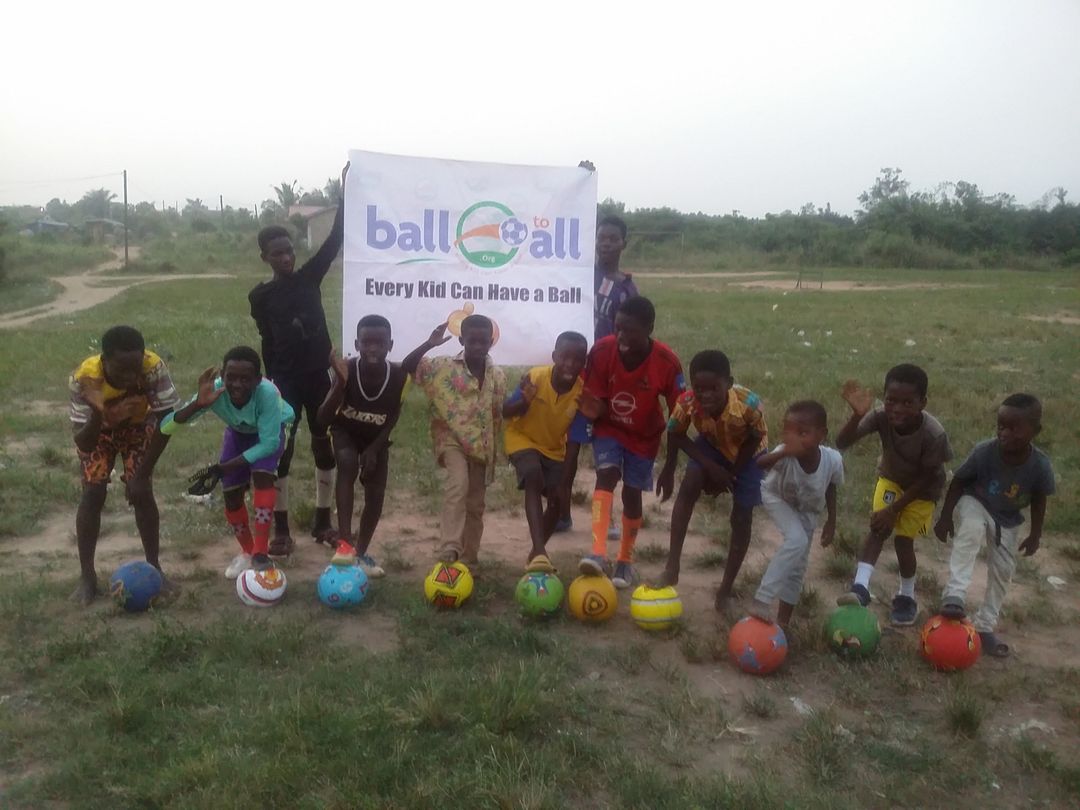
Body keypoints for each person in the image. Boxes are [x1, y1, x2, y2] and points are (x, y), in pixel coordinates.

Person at [248, 162, 348, 555]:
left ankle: (323, 520)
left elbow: (336, 240)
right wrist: (269, 383)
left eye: (289, 251)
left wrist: (344, 195)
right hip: (284, 381)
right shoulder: (261, 297)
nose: (286, 258)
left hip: (319, 376)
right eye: (278, 253)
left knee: (323, 441)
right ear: (265, 257)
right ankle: (282, 528)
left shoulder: (310, 278)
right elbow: (267, 340)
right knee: (282, 450)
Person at [316, 316, 448, 574]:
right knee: (347, 463)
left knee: (376, 494)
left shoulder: (398, 376)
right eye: (366, 342)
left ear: (390, 345)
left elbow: (393, 413)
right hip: (345, 432)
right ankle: (345, 544)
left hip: (376, 439)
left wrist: (375, 449)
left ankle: (360, 553)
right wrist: (340, 384)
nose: (373, 348)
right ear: (357, 344)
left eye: (380, 343)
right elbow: (322, 419)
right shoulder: (346, 369)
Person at [570, 296, 684, 588]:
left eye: (629, 330)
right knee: (606, 475)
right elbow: (593, 398)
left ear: (649, 329)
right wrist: (592, 412)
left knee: (632, 495)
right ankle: (598, 553)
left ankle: (625, 560)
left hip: (644, 436)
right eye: (617, 327)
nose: (620, 335)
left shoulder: (666, 362)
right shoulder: (602, 350)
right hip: (610, 426)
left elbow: (679, 416)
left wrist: (670, 466)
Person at [934, 394, 1054, 657]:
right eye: (1001, 425)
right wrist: (945, 517)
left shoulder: (1040, 465)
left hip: (1007, 518)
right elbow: (958, 481)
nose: (1004, 433)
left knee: (1003, 570)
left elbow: (1039, 499)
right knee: (971, 530)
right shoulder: (984, 451)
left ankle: (985, 625)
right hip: (976, 501)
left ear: (1035, 431)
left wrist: (1035, 533)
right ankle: (954, 595)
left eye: (1014, 428)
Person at [69, 325, 180, 605]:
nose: (131, 377)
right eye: (121, 371)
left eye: (135, 369)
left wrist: (141, 475)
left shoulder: (153, 368)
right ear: (104, 361)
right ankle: (87, 576)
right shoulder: (85, 379)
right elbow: (84, 443)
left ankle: (154, 568)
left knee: (142, 492)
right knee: (93, 493)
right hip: (98, 433)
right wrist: (98, 413)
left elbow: (167, 421)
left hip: (138, 428)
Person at [160, 347, 294, 577]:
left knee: (263, 475)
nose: (237, 384)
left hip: (270, 431)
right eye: (231, 377)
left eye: (245, 379)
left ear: (258, 380)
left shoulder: (268, 394)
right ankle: (247, 551)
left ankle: (261, 553)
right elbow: (166, 426)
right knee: (231, 494)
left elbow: (269, 444)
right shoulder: (215, 389)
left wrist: (224, 468)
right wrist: (198, 403)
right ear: (222, 375)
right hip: (238, 433)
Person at [835, 364, 952, 626]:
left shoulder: (934, 434)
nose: (897, 408)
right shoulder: (880, 416)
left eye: (907, 402)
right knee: (878, 528)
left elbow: (929, 477)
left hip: (922, 491)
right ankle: (860, 588)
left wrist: (893, 510)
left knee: (903, 541)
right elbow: (842, 443)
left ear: (923, 403)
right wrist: (856, 416)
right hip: (891, 479)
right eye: (891, 400)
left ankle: (906, 596)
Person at [656, 350, 767, 610]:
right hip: (713, 444)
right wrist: (673, 469)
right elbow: (676, 433)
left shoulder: (749, 404)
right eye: (699, 388)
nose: (705, 395)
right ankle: (672, 566)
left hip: (749, 455)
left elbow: (755, 437)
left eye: (713, 388)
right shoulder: (687, 402)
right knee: (690, 482)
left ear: (729, 383)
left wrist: (732, 474)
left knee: (742, 517)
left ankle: (725, 590)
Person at [415, 315, 507, 566]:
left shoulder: (498, 375)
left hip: (481, 446)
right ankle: (450, 547)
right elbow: (410, 367)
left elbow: (497, 414)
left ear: (491, 341)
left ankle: (468, 560)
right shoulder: (443, 366)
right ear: (461, 340)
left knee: (475, 505)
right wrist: (429, 344)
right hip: (451, 439)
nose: (477, 346)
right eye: (472, 341)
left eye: (483, 341)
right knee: (458, 484)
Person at [747, 401, 843, 628]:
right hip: (776, 497)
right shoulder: (785, 452)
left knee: (798, 567)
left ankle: (783, 623)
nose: (795, 438)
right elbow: (760, 463)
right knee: (796, 540)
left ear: (822, 435)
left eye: (803, 433)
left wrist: (831, 521)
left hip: (807, 510)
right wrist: (783, 453)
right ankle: (762, 598)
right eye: (788, 431)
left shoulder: (832, 460)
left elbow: (831, 487)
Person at [502, 331, 589, 573]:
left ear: (584, 363)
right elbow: (506, 411)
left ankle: (534, 556)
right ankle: (541, 551)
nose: (570, 364)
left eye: (577, 359)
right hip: (522, 438)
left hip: (553, 449)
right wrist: (524, 401)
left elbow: (574, 445)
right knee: (533, 475)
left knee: (558, 501)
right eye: (565, 357)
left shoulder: (582, 395)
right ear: (554, 356)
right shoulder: (536, 377)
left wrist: (565, 484)